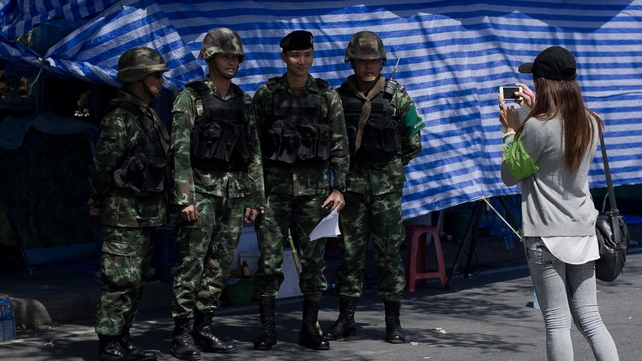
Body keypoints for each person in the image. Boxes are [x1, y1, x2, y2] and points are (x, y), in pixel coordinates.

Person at [499, 46, 619, 361]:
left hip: (546, 234)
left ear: (542, 83)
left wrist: (510, 131)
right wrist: (534, 110)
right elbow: (558, 136)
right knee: (591, 319)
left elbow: (511, 174)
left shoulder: (538, 127)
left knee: (557, 322)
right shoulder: (592, 122)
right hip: (582, 230)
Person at [167, 28, 264, 360]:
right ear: (209, 58)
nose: (232, 62)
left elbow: (253, 154)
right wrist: (185, 198)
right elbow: (179, 152)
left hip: (234, 195)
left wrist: (255, 198)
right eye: (225, 56)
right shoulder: (189, 98)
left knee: (220, 265)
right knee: (191, 264)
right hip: (202, 193)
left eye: (236, 57)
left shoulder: (243, 102)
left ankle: (204, 328)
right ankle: (181, 333)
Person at [251, 30, 350, 351]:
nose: (302, 61)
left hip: (316, 192)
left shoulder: (326, 96)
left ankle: (309, 328)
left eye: (307, 55)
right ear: (284, 57)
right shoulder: (266, 95)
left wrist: (339, 188)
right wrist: (254, 192)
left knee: (314, 262)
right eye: (295, 56)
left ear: (313, 55)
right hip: (273, 192)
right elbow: (253, 146)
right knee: (268, 261)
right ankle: (267, 329)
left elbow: (339, 145)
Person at [324, 31, 424, 344]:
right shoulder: (338, 98)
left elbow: (413, 141)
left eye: (374, 60)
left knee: (388, 255)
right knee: (350, 254)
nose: (369, 66)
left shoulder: (398, 96)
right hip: (350, 188)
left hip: (386, 189)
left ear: (382, 61)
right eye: (363, 60)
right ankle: (346, 319)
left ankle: (393, 322)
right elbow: (331, 143)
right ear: (352, 61)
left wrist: (389, 168)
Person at [88, 47, 171, 361]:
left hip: (146, 213)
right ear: (137, 78)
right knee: (119, 281)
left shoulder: (146, 111)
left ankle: (122, 338)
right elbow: (103, 165)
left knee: (136, 282)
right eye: (155, 75)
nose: (161, 80)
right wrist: (97, 198)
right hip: (124, 213)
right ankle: (108, 342)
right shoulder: (122, 116)